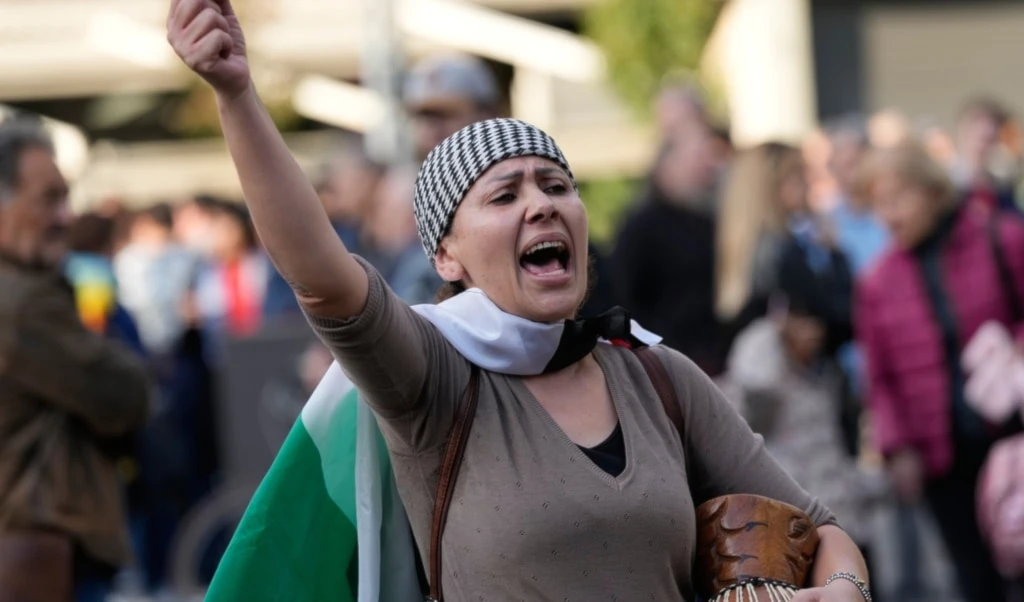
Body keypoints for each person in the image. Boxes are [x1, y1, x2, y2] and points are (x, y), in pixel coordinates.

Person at [166, 1, 871, 599]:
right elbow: (318, 273)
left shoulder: (657, 376)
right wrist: (236, 96)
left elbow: (821, 528)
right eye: (504, 196)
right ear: (447, 257)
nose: (542, 204)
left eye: (557, 186)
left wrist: (842, 589)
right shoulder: (430, 376)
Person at [856, 140, 1024, 602]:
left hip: (1010, 434)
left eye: (898, 198)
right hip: (943, 456)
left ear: (932, 190)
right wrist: (897, 447)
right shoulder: (877, 281)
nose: (888, 215)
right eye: (878, 204)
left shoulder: (1001, 238)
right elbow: (880, 379)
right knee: (974, 578)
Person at [0, 118, 152, 602]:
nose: (65, 217)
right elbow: (125, 394)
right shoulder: (21, 303)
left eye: (65, 198)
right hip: (41, 560)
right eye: (48, 199)